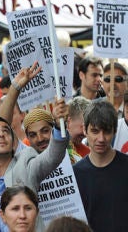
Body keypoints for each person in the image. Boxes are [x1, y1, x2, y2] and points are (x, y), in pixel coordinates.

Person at [73, 100, 128, 232]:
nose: (101, 138)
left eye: (107, 131)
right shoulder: (75, 174)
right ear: (85, 130)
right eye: (95, 131)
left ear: (115, 131)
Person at [66, 97, 91, 163]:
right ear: (69, 122)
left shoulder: (88, 154)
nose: (85, 134)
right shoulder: (52, 151)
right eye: (83, 127)